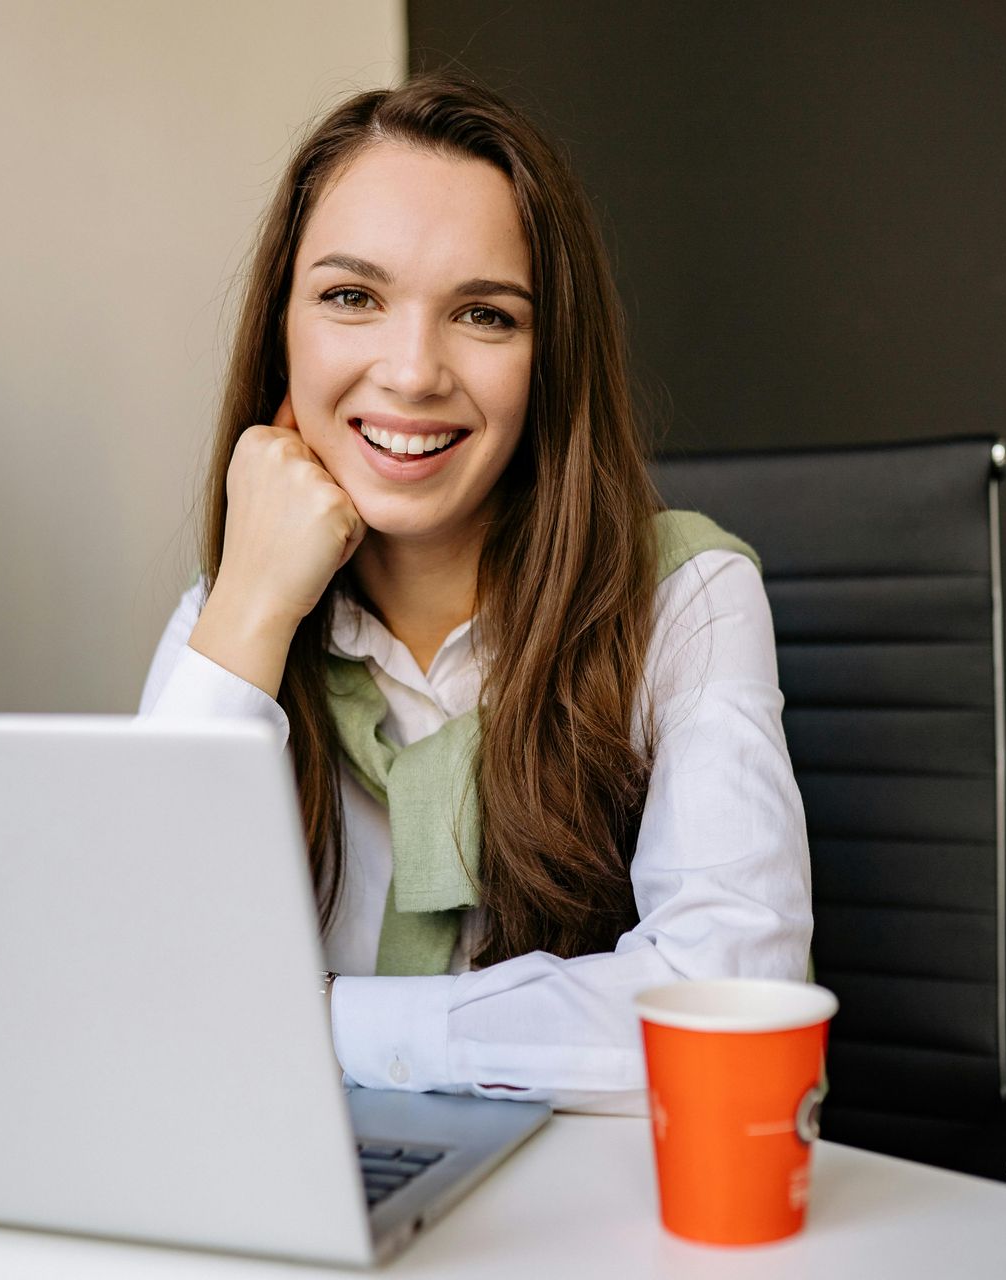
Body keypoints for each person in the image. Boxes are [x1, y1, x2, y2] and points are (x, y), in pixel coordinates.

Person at [138, 72, 810, 1113]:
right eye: (351, 296)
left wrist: (318, 1018)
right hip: (301, 1197)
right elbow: (136, 990)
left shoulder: (687, 599)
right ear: (284, 328)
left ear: (549, 359)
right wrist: (251, 606)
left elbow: (733, 999)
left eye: (484, 314)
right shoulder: (234, 619)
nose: (411, 372)